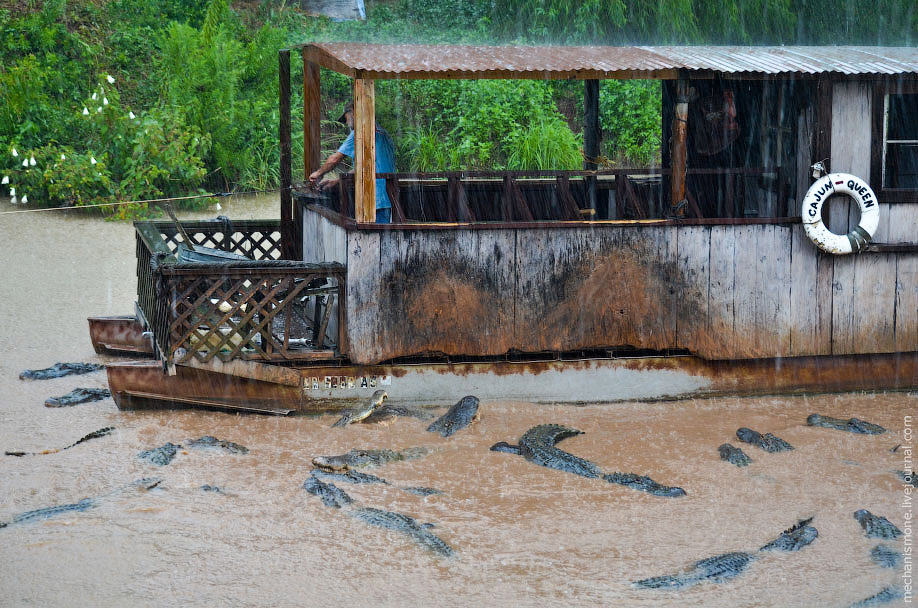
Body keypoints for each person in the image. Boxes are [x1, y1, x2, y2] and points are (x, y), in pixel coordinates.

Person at [308, 101, 396, 223]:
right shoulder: (383, 133)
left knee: (373, 233)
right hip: (389, 196)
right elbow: (366, 167)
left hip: (374, 196)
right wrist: (337, 181)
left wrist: (318, 173)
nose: (347, 123)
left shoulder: (362, 132)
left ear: (354, 112)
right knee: (381, 232)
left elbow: (335, 159)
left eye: (346, 117)